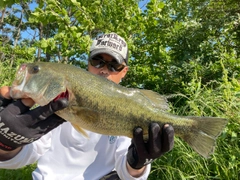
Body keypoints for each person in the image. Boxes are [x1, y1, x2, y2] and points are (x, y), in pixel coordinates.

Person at [0, 32, 174, 180]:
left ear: (124, 72)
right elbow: (24, 155)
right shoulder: (54, 103)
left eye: (114, 65)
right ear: (88, 62)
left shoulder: (130, 107)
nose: (104, 70)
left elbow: (126, 171)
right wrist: (6, 144)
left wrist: (138, 161)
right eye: (97, 61)